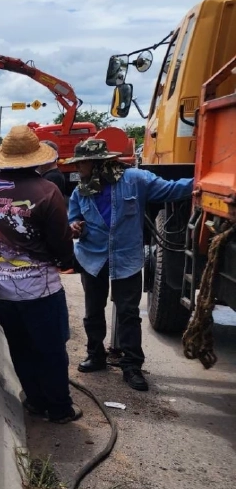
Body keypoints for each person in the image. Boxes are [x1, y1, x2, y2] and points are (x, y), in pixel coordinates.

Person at [0, 124, 81, 423]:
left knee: (20, 347)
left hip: (0, 289)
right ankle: (59, 409)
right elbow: (60, 241)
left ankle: (35, 400)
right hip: (39, 289)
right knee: (51, 350)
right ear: (36, 158)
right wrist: (67, 261)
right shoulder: (47, 190)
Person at [66, 138, 193, 391]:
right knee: (93, 311)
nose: (77, 169)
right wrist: (75, 227)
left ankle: (132, 365)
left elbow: (172, 189)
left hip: (126, 257)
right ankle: (95, 355)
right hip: (92, 257)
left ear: (97, 162)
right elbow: (73, 218)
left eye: (81, 164)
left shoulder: (136, 179)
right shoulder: (81, 190)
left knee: (128, 313)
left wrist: (201, 182)